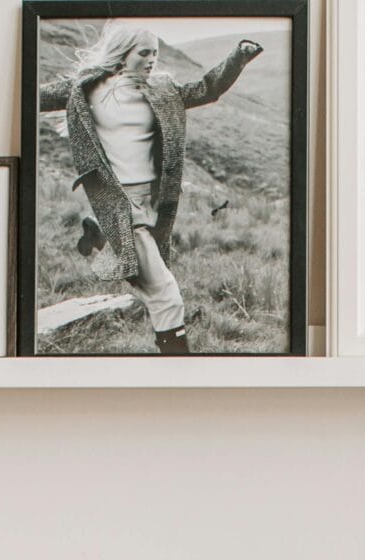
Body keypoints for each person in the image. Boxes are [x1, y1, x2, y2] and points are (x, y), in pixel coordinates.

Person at [39, 24, 265, 353]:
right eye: (144, 53)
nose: (152, 60)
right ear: (123, 54)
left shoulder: (162, 88)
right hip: (118, 202)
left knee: (146, 280)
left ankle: (100, 237)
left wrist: (238, 57)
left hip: (155, 204)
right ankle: (177, 366)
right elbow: (28, 94)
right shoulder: (83, 89)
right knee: (165, 293)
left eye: (156, 53)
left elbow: (206, 89)